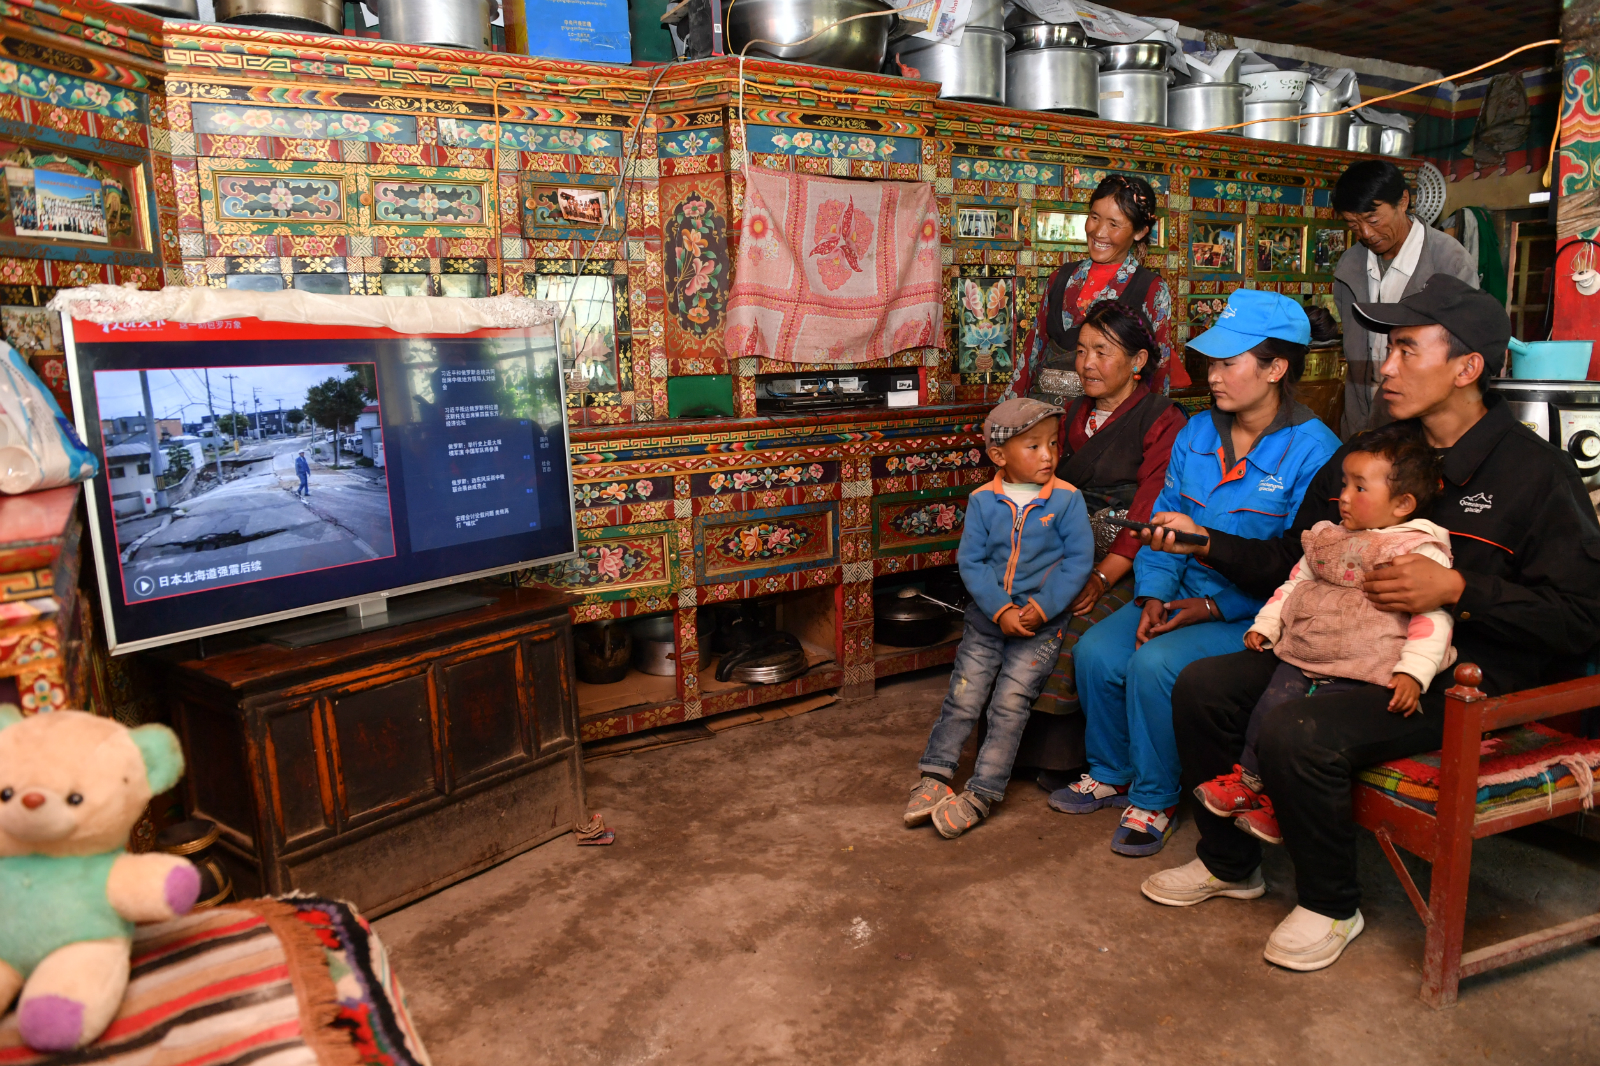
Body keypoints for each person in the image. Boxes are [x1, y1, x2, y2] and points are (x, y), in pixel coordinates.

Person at [1138, 274, 1600, 973]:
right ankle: (1230, 864)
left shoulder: (1537, 475)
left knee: (1301, 729)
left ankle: (1331, 903)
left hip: (1449, 677)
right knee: (1204, 687)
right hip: (1339, 650)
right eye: (1389, 349)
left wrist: (1459, 590)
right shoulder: (1370, 453)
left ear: (1467, 367)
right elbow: (1292, 556)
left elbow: (1581, 618)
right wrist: (1206, 543)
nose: (1385, 367)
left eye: (1408, 350)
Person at [1048, 289, 1339, 857]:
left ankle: (1154, 799)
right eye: (1212, 362)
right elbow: (1163, 522)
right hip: (1180, 589)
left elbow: (1301, 566)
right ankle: (1112, 772)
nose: (1213, 375)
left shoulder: (1316, 452)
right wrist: (1154, 594)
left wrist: (1214, 607)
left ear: (1276, 368)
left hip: (1254, 613)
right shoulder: (1198, 433)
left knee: (1155, 664)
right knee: (1097, 652)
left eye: (1229, 363)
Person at [1193, 421, 1456, 846]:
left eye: (1359, 487)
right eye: (1344, 483)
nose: (1344, 496)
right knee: (1270, 707)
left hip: (1365, 664)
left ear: (1403, 503)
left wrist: (1414, 673)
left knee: (1297, 729)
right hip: (1308, 649)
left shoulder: (1414, 549)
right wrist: (1268, 625)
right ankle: (1247, 780)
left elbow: (1433, 618)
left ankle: (1279, 807)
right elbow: (1295, 584)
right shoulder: (1329, 538)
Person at [904, 398, 1094, 840]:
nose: (1048, 455)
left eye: (1053, 444)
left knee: (1009, 704)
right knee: (964, 696)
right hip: (987, 620)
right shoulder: (982, 500)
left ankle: (983, 791)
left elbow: (1077, 562)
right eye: (1034, 446)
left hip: (1040, 626)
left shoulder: (1067, 500)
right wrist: (1000, 609)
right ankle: (936, 775)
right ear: (998, 455)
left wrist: (1041, 608)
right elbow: (971, 562)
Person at [1016, 300, 1187, 780]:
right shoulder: (1070, 414)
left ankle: (1062, 756)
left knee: (1074, 623)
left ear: (1138, 362)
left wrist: (1100, 576)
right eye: (1082, 351)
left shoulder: (1163, 419)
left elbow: (1149, 510)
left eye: (1102, 352)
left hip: (1129, 560)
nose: (1087, 363)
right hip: (1068, 549)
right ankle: (1012, 744)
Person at [1005, 174, 1190, 407]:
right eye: (1094, 217)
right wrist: (1010, 410)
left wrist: (1150, 421)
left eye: (1113, 224)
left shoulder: (1150, 288)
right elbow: (1032, 351)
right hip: (1044, 411)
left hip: (1107, 415)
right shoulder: (1061, 277)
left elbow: (1158, 369)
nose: (1099, 232)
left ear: (1140, 231)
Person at [1333, 159, 1476, 436]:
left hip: (1423, 425)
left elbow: (1463, 353)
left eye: (1373, 220)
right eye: (1353, 224)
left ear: (1403, 201)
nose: (1365, 233)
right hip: (1361, 417)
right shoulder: (1349, 266)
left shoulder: (1449, 262)